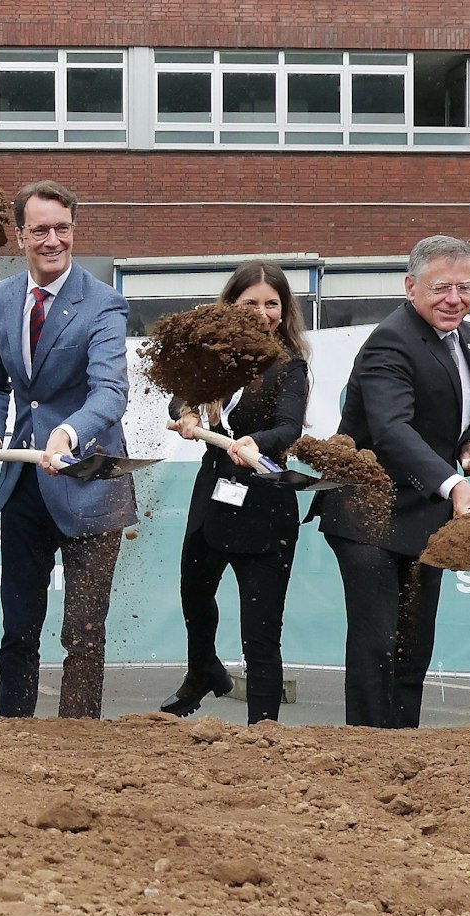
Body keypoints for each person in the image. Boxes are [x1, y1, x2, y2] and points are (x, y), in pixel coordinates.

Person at [0, 180, 135, 719]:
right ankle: (15, 733)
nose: (53, 240)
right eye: (40, 230)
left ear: (73, 230)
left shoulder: (104, 304)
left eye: (62, 228)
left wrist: (68, 434)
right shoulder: (2, 298)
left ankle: (78, 741)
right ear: (20, 236)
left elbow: (111, 392)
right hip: (24, 486)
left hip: (89, 482)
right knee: (19, 628)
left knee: (83, 633)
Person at [312, 234, 470, 729]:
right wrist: (455, 485)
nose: (455, 299)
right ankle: (369, 748)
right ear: (411, 287)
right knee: (378, 643)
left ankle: (403, 745)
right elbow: (392, 430)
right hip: (368, 513)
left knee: (414, 642)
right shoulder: (390, 341)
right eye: (441, 288)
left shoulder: (469, 338)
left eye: (465, 288)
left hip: (423, 514)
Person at [163, 261, 312, 722]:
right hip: (212, 499)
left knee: (261, 631)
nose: (263, 314)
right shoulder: (214, 355)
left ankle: (263, 728)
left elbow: (288, 427)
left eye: (272, 304)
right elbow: (180, 396)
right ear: (231, 306)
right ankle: (203, 670)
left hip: (264, 507)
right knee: (194, 596)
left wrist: (254, 443)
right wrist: (187, 413)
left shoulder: (289, 367)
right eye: (251, 304)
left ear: (284, 311)